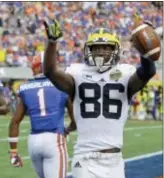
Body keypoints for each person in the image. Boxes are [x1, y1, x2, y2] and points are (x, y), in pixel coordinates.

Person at [43, 19, 157, 178]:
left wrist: (144, 48)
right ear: (88, 50)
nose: (101, 51)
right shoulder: (77, 73)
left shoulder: (125, 73)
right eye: (96, 48)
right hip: (85, 157)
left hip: (115, 159)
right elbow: (50, 72)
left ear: (116, 50)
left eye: (106, 47)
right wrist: (52, 43)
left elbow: (147, 72)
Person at [8, 55, 76, 178]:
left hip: (33, 142)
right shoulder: (62, 86)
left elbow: (15, 122)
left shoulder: (25, 88)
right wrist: (68, 130)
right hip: (54, 139)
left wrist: (13, 152)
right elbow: (75, 120)